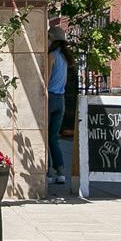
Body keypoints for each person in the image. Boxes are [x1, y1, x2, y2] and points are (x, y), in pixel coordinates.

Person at [46, 29, 75, 185]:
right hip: (61, 99)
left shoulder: (52, 56)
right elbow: (63, 82)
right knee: (54, 138)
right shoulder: (64, 57)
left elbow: (47, 77)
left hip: (50, 97)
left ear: (52, 39)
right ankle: (61, 171)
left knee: (45, 136)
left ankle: (48, 171)